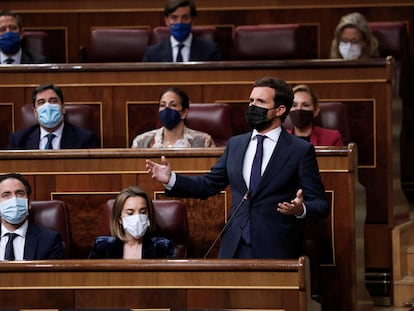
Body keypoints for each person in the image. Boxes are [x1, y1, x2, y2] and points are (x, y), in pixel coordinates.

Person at [146, 76, 329, 259]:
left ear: (280, 110)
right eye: (251, 100)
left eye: (261, 101)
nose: (252, 106)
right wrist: (171, 179)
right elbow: (208, 184)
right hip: (235, 246)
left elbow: (320, 204)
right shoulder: (236, 144)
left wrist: (300, 209)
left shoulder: (299, 150)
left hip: (277, 247)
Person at [89, 186, 175, 259]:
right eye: (130, 213)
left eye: (143, 212)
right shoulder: (102, 246)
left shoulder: (163, 247)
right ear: (120, 219)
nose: (137, 217)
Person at [8, 83, 100, 149]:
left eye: (53, 101)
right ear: (35, 112)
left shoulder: (85, 139)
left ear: (63, 108)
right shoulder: (18, 140)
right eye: (41, 102)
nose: (47, 106)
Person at [0, 172, 65, 260]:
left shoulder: (49, 240)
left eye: (20, 193)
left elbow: (54, 274)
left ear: (29, 203)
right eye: (6, 195)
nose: (14, 200)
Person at [131, 87, 215, 148]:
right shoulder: (141, 141)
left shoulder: (203, 141)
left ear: (184, 113)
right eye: (163, 105)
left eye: (173, 105)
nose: (167, 109)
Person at [142, 0, 222, 62]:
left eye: (185, 17)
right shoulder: (152, 54)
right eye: (174, 17)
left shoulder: (210, 50)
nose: (179, 22)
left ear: (193, 20)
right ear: (167, 21)